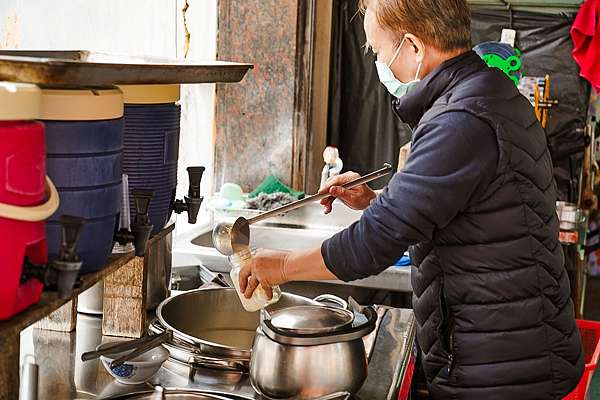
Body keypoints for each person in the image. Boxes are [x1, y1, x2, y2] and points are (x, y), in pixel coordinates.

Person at [239, 0, 584, 398]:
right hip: (517, 345)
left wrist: (281, 266)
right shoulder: (487, 93)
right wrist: (377, 198)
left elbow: (372, 245)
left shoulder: (461, 119)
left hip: (500, 367)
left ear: (414, 47)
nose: (378, 62)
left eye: (378, 50)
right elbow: (468, 203)